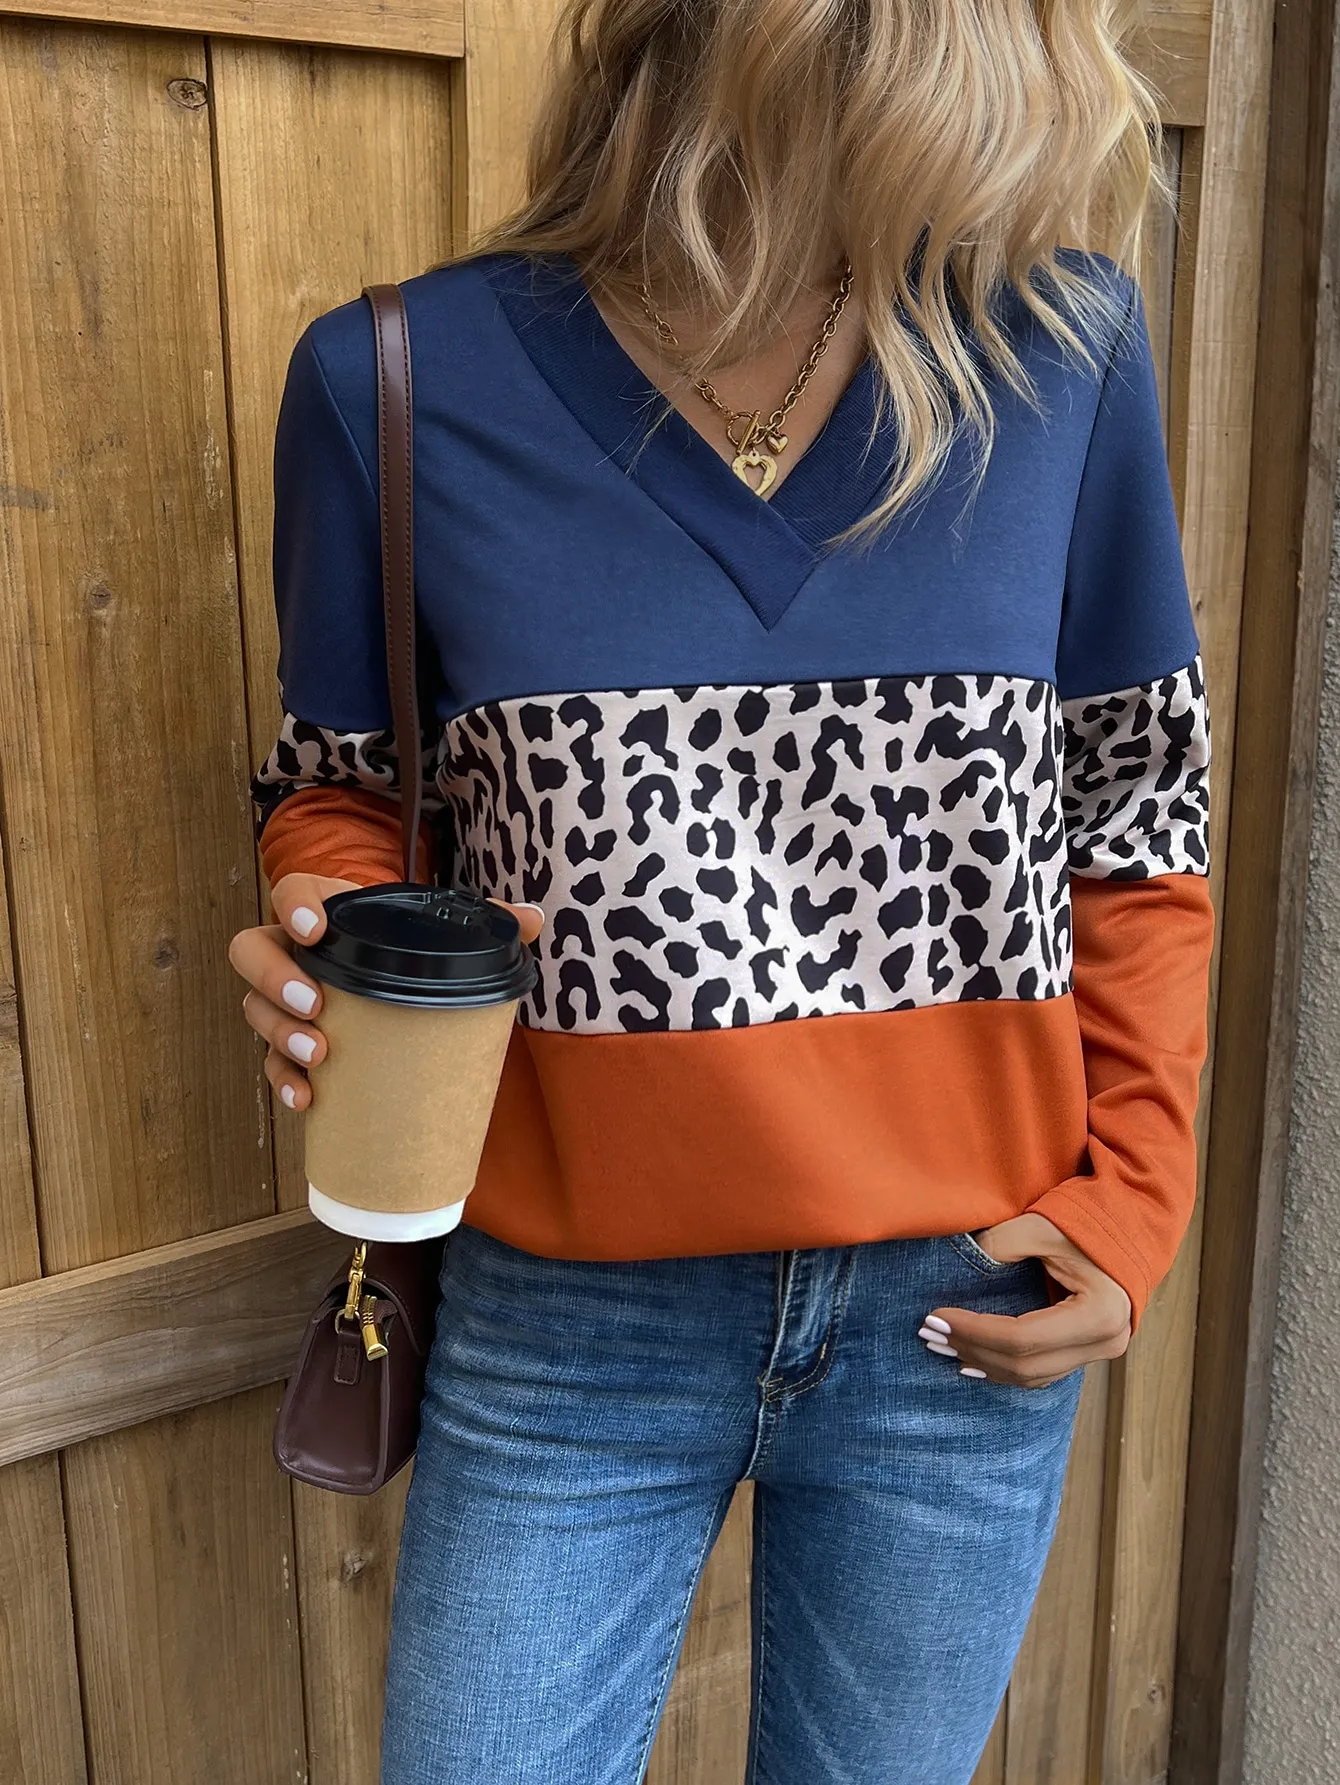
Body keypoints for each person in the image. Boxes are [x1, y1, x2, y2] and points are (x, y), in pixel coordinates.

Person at [227, 1, 1213, 1779]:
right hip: (566, 1317)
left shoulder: (1059, 357)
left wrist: (1134, 1198)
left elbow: (1137, 811)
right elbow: (344, 786)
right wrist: (337, 939)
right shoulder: (396, 381)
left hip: (958, 1313)